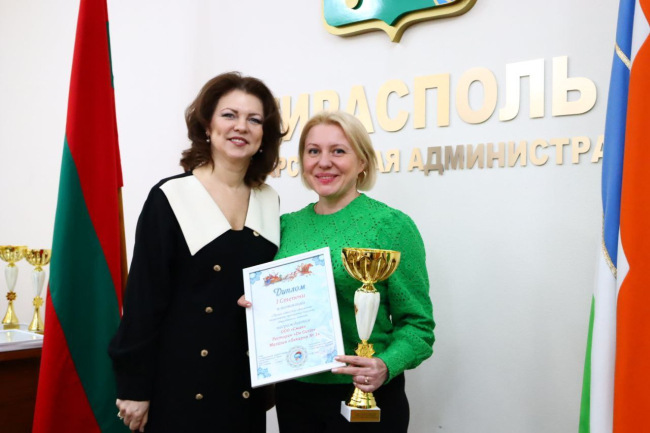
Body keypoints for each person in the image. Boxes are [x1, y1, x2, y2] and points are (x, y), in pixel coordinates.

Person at [109, 72, 284, 433]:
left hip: (243, 384)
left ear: (264, 135)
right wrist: (134, 386)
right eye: (229, 115)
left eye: (254, 119)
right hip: (179, 382)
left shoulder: (269, 200)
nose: (241, 126)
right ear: (207, 125)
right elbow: (144, 299)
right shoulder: (171, 196)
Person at [241, 111, 435, 432]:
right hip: (295, 393)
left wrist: (385, 365)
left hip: (366, 393)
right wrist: (256, 303)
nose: (324, 162)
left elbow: (418, 325)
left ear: (362, 162)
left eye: (338, 151)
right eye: (313, 151)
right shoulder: (285, 226)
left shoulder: (392, 226)